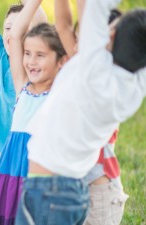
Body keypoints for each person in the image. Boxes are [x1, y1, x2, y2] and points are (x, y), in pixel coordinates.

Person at [15, 0, 146, 223]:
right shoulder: (133, 89)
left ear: (111, 37)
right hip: (70, 191)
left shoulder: (92, 68)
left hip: (49, 190)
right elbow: (70, 21)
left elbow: (92, 5)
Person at [0, 0, 67, 224]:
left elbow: (47, 29)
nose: (11, 33)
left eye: (20, 27)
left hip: (28, 163)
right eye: (7, 27)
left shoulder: (37, 78)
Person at [54, 1, 128, 224]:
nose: (77, 45)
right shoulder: (79, 66)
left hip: (100, 191)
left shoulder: (112, 77)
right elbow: (63, 25)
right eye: (78, 39)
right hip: (74, 187)